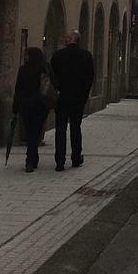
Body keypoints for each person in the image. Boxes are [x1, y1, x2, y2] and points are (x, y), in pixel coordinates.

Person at [49, 30, 95, 171]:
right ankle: (76, 157)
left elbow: (52, 75)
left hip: (62, 97)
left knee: (60, 129)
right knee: (76, 127)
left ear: (70, 39)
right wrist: (84, 94)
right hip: (78, 98)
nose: (64, 39)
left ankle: (60, 161)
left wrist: (57, 89)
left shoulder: (58, 55)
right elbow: (90, 76)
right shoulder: (86, 56)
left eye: (66, 37)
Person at [13, 47, 52, 172]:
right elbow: (52, 84)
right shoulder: (44, 69)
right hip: (40, 105)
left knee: (30, 132)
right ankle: (31, 158)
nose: (25, 57)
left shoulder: (23, 70)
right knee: (35, 132)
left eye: (27, 55)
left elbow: (18, 89)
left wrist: (15, 106)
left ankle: (31, 159)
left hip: (26, 105)